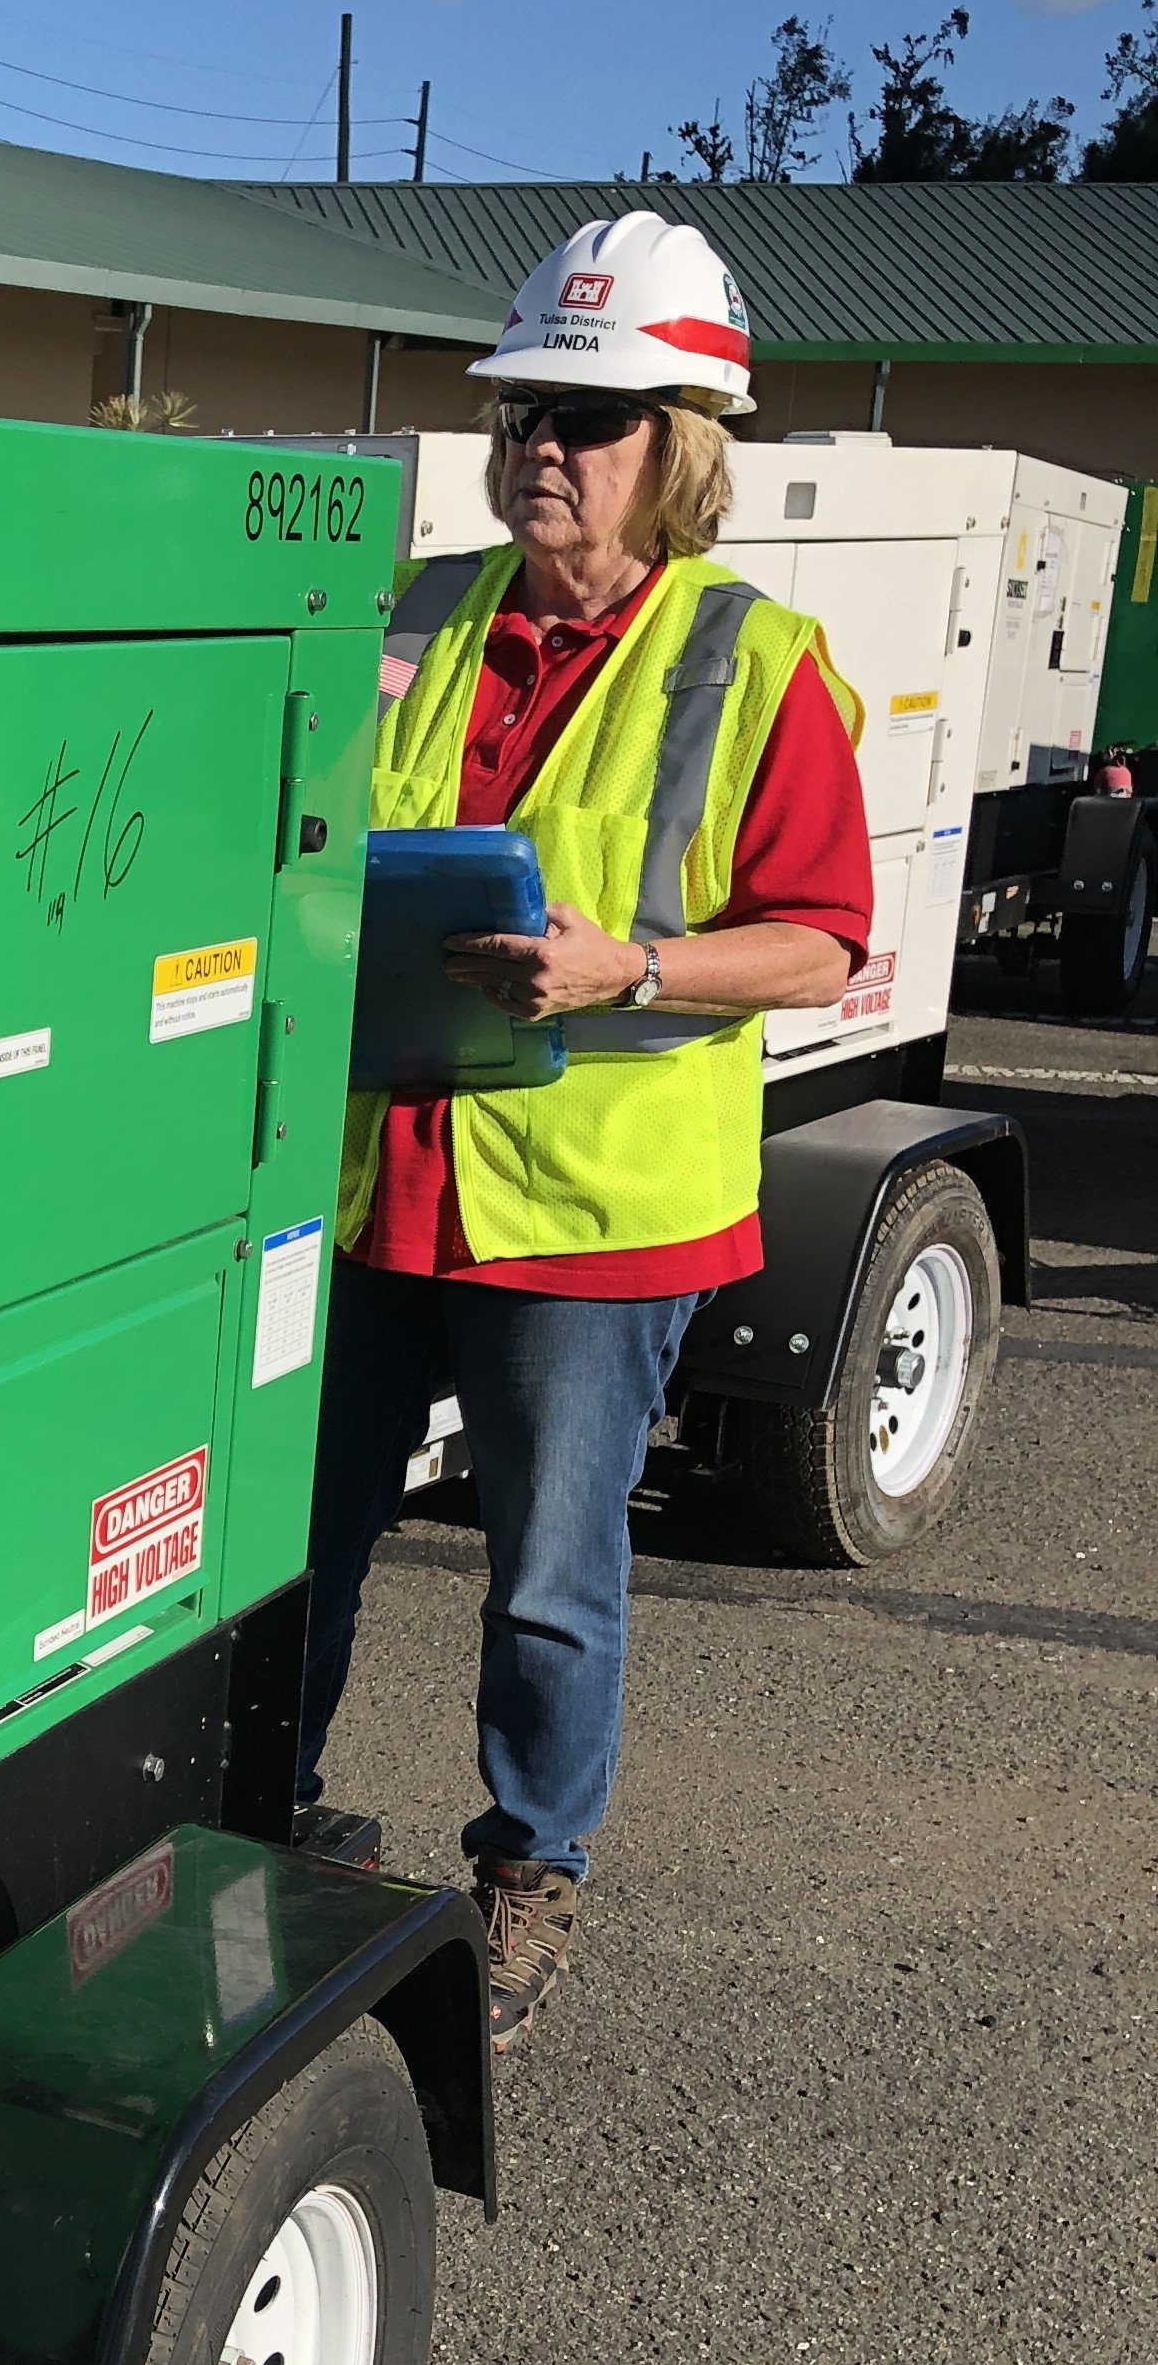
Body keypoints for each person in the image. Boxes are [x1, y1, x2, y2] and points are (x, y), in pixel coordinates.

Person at [296, 212, 875, 2051]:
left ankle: (531, 1867)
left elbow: (824, 938)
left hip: (591, 1217)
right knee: (293, 1540)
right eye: (527, 409)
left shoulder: (755, 659)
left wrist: (635, 967)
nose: (544, 444)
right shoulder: (417, 614)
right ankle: (259, 1805)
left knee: (549, 1581)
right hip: (376, 1181)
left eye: (592, 416)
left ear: (678, 444)